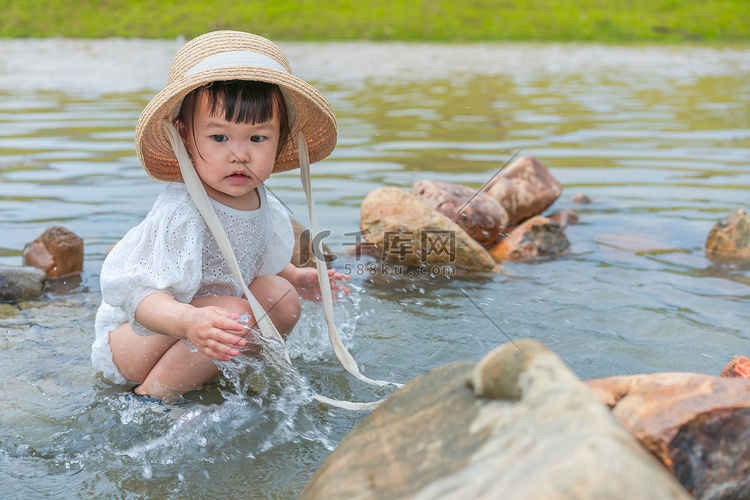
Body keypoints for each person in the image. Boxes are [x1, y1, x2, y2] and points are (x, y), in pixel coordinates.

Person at [91, 30, 349, 403]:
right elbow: (141, 299)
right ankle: (150, 396)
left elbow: (252, 261)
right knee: (234, 313)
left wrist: (295, 275)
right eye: (219, 138)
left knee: (281, 296)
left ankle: (213, 378)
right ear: (183, 134)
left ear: (282, 138)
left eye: (257, 138)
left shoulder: (264, 203)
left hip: (213, 328)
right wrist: (188, 322)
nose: (239, 155)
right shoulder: (183, 211)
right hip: (138, 342)